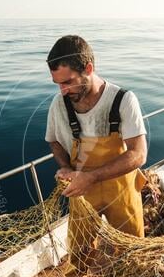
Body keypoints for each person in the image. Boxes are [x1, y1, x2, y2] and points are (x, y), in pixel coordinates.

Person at [45, 35, 148, 244]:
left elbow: (138, 154)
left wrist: (92, 176)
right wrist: (64, 166)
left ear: (89, 69)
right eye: (57, 84)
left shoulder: (123, 100)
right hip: (83, 193)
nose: (62, 91)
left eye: (68, 82)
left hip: (122, 191)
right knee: (79, 250)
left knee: (130, 249)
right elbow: (54, 140)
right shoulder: (59, 104)